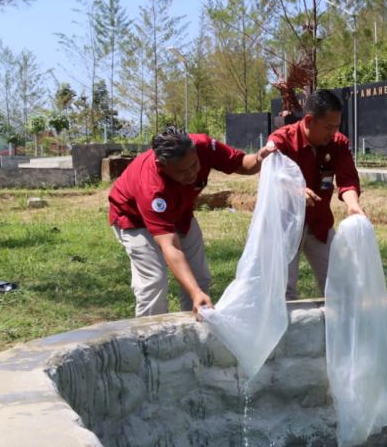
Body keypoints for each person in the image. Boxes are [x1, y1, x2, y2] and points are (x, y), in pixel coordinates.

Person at [108, 126, 274, 317]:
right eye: (180, 171)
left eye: (194, 165)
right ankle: (150, 340)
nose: (190, 175)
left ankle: (194, 335)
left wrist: (260, 158)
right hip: (134, 219)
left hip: (180, 212)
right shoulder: (152, 188)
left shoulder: (204, 146)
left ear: (195, 151)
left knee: (199, 277)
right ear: (161, 165)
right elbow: (170, 246)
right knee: (153, 282)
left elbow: (240, 163)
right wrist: (195, 292)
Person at [268, 89, 366, 299]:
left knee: (341, 283)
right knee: (283, 291)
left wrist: (353, 204)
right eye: (328, 127)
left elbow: (347, 180)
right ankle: (286, 331)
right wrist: (294, 191)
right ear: (309, 120)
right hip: (285, 225)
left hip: (319, 224)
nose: (333, 133)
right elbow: (272, 179)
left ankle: (337, 330)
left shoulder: (338, 143)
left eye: (336, 126)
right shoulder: (280, 141)